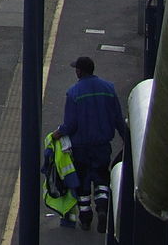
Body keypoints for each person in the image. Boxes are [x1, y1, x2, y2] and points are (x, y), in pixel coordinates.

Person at [52, 56, 129, 232]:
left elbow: (70, 125)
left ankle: (85, 218)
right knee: (102, 177)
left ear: (79, 71)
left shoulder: (73, 93)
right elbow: (118, 117)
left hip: (81, 147)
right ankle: (102, 208)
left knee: (83, 182)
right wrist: (126, 138)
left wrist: (58, 133)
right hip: (102, 145)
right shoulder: (108, 88)